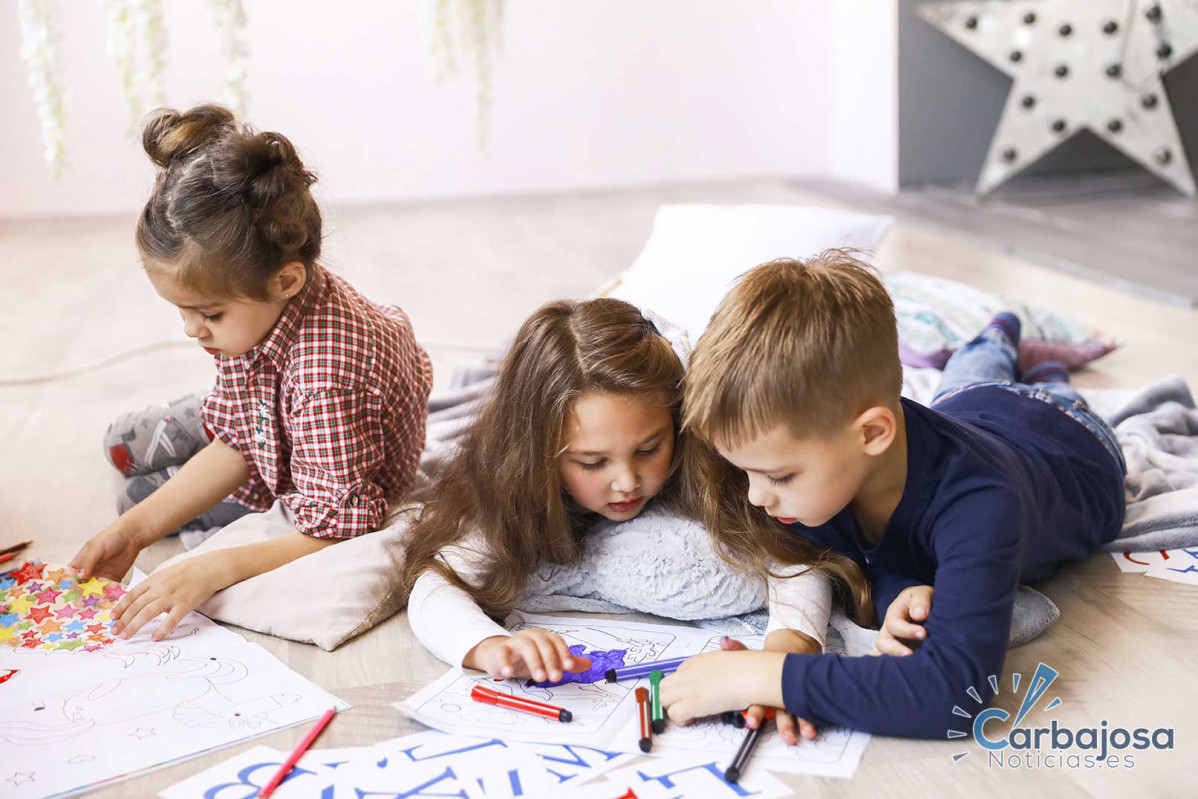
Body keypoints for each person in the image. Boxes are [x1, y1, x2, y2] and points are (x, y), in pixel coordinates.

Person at [661, 250, 1126, 738]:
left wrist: (766, 676)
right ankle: (1013, 359)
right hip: (966, 409)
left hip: (1071, 438)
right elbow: (857, 560)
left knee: (1007, 377)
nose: (757, 498)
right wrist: (899, 590)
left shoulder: (983, 505)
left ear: (871, 435)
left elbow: (953, 698)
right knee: (965, 385)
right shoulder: (828, 461)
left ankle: (1010, 341)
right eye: (748, 473)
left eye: (778, 477)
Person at [401, 297, 872, 744]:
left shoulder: (713, 463)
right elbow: (436, 583)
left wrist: (788, 648)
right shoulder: (514, 490)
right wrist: (486, 646)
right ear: (538, 454)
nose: (627, 481)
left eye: (649, 450)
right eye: (591, 463)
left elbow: (794, 558)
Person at [70, 104, 433, 641]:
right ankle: (149, 479)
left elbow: (339, 530)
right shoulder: (260, 310)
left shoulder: (326, 380)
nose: (193, 331)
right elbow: (240, 435)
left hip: (315, 454)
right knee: (120, 444)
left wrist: (210, 565)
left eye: (209, 314)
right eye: (182, 311)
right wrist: (135, 532)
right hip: (269, 415)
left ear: (286, 281)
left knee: (134, 490)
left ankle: (151, 487)